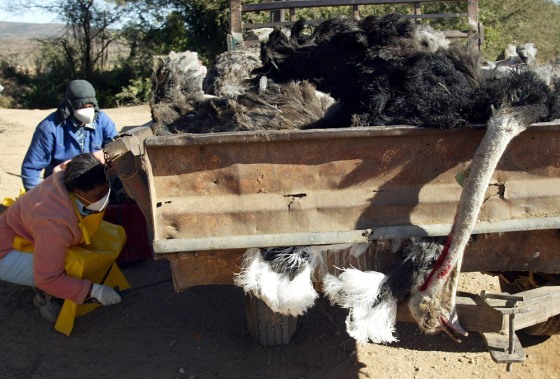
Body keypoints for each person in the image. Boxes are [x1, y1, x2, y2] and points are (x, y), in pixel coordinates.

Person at [1, 152, 122, 322]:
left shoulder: (71, 171)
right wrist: (94, 291)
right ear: (78, 191)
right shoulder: (55, 224)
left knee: (109, 236)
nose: (104, 198)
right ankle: (47, 297)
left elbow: (101, 156)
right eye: (98, 195)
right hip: (7, 253)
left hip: (24, 229)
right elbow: (48, 278)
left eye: (106, 190)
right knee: (71, 264)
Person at [21, 79, 118, 191]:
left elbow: (115, 149)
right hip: (62, 188)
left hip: (98, 186)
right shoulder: (49, 127)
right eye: (82, 107)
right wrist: (38, 197)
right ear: (70, 105)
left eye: (90, 106)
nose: (87, 111)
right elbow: (31, 168)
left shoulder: (102, 120)